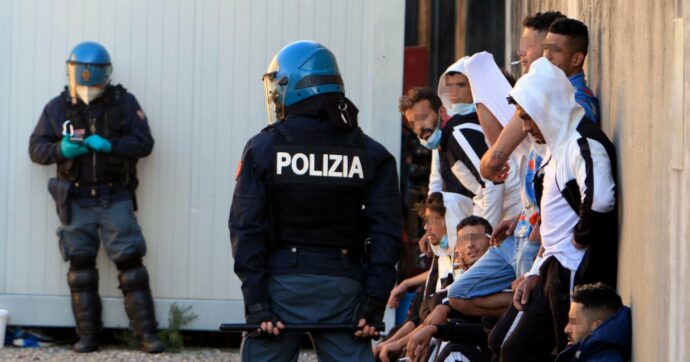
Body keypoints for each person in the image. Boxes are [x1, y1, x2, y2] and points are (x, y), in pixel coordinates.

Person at [229, 40, 402, 361]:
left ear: (290, 84)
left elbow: (246, 228)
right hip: (345, 288)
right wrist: (374, 302)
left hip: (279, 288)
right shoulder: (371, 153)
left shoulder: (263, 148)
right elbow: (387, 233)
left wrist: (256, 304)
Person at [28, 41, 163, 353]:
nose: (89, 79)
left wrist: (112, 146)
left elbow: (145, 143)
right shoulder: (56, 108)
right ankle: (88, 337)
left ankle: (147, 336)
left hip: (114, 197)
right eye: (83, 71)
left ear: (107, 73)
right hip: (75, 200)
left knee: (131, 267)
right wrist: (59, 150)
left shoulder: (124, 103)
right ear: (72, 71)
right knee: (80, 271)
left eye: (96, 72)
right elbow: (36, 148)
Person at [500, 58, 618, 361]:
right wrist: (536, 271)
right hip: (553, 267)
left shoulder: (582, 141)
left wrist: (581, 236)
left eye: (529, 118)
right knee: (508, 346)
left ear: (546, 108)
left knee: (564, 351)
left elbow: (601, 199)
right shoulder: (556, 146)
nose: (526, 128)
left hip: (574, 270)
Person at [557, 283, 632, 362]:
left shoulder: (604, 358)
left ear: (598, 325)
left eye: (573, 321)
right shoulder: (588, 353)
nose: (566, 329)